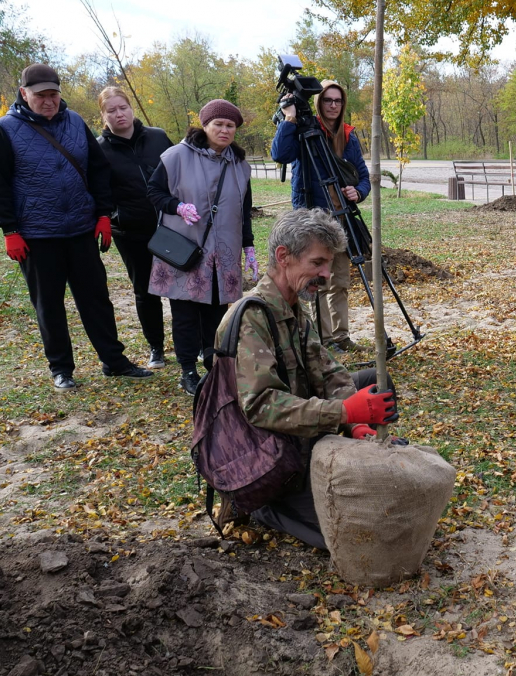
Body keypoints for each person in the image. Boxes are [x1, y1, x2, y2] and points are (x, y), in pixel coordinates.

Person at [220, 207, 399, 543]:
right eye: (318, 263)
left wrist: (355, 421)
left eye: (329, 264)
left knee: (376, 381)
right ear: (284, 256)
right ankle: (263, 507)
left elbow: (327, 369)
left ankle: (337, 459)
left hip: (298, 438)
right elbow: (261, 405)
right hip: (264, 457)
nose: (327, 274)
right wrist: (344, 412)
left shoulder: (292, 307)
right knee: (359, 529)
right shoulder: (250, 317)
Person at [0, 63, 153, 391]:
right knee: (48, 304)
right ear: (24, 94)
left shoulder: (75, 122)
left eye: (53, 94)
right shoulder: (5, 129)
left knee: (96, 298)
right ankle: (61, 368)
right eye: (40, 95)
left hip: (80, 229)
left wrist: (103, 214)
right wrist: (10, 230)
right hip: (36, 236)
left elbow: (98, 169)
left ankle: (113, 360)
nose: (48, 101)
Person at [147, 99, 256, 395]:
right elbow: (153, 191)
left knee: (218, 315)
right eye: (217, 124)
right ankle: (187, 371)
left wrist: (248, 247)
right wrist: (177, 206)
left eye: (230, 125)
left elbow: (244, 209)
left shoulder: (241, 166)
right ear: (204, 125)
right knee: (185, 313)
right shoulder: (175, 156)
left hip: (224, 252)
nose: (224, 130)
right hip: (186, 250)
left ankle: (215, 367)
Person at [271, 80, 372, 354]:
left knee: (339, 280)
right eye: (328, 100)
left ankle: (341, 336)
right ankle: (323, 339)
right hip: (312, 218)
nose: (333, 105)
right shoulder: (306, 130)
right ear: (318, 102)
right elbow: (279, 154)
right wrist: (289, 119)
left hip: (341, 217)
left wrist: (358, 192)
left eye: (338, 101)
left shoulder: (348, 136)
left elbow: (364, 178)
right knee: (317, 281)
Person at [96, 86, 174, 369]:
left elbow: (178, 171)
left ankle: (189, 342)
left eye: (123, 107)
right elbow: (98, 190)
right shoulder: (99, 149)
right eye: (111, 111)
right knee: (145, 290)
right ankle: (156, 347)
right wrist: (113, 216)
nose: (119, 114)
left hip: (169, 226)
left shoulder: (158, 137)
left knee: (179, 285)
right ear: (103, 116)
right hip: (131, 231)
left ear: (132, 109)